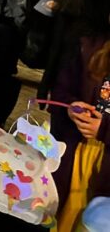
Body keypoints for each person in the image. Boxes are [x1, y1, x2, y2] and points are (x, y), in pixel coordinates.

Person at [47, 33, 110, 231]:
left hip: (106, 163)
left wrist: (104, 129)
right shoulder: (90, 46)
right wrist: (70, 107)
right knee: (66, 217)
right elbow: (60, 91)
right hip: (78, 155)